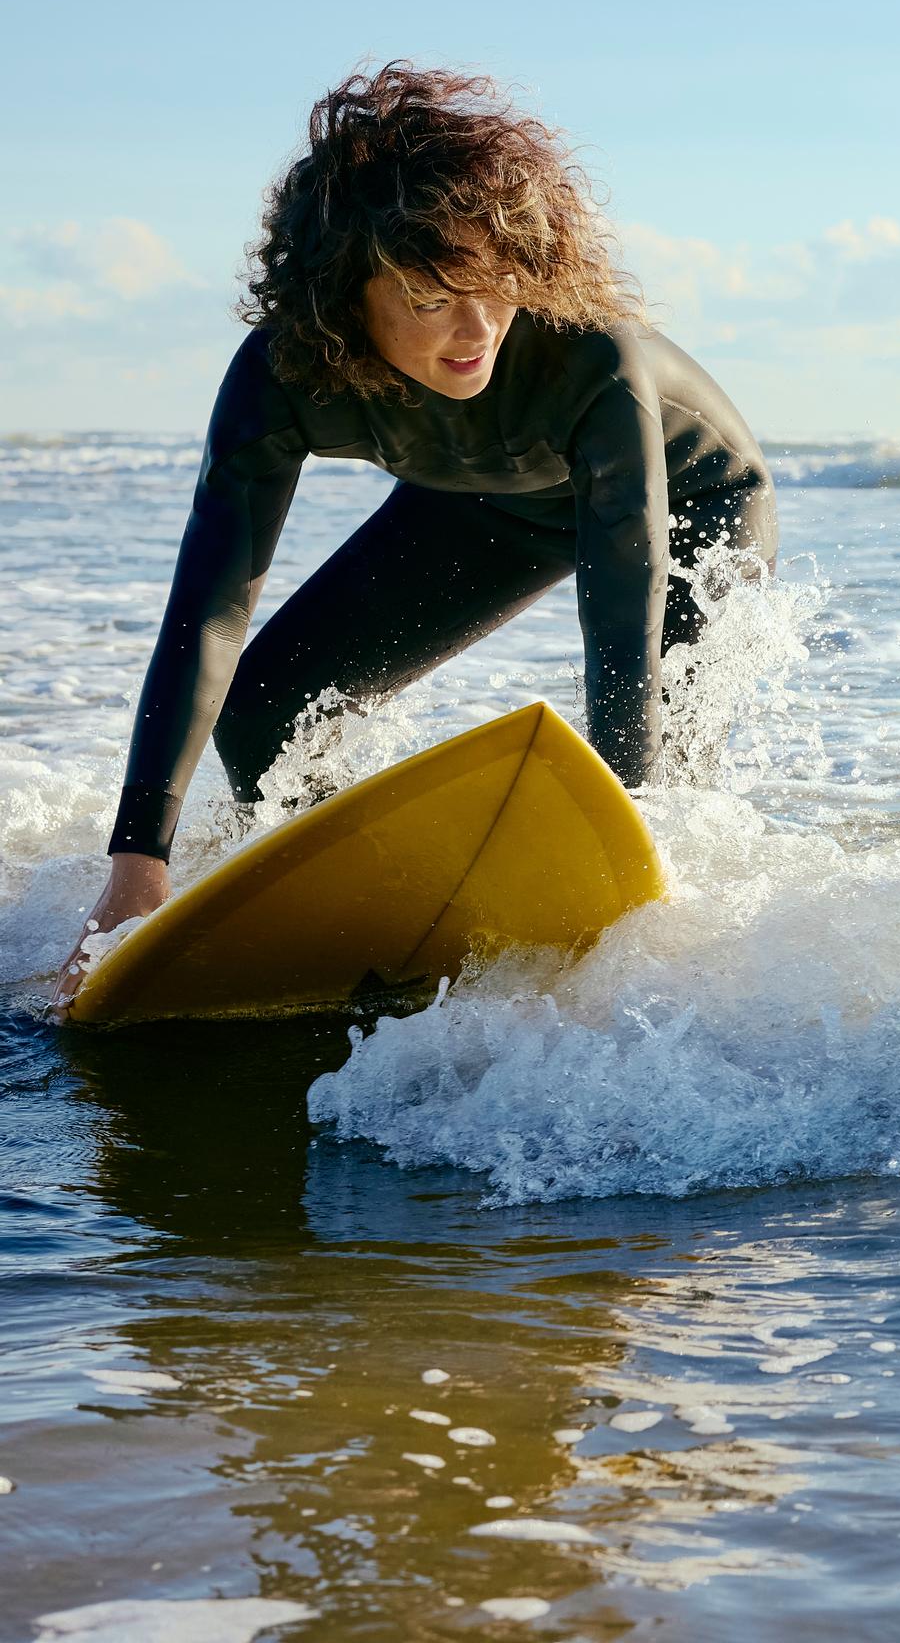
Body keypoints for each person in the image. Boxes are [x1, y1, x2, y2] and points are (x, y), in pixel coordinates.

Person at [57, 63, 775, 1005]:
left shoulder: (588, 364)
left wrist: (625, 835)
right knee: (266, 710)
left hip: (686, 511)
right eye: (432, 300)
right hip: (481, 502)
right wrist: (136, 866)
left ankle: (671, 966)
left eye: (495, 284)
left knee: (654, 767)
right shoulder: (284, 374)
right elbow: (212, 608)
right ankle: (361, 902)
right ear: (344, 296)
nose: (477, 331)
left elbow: (622, 627)